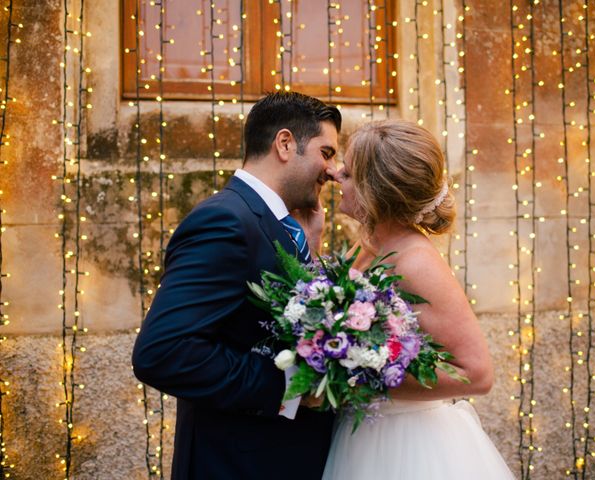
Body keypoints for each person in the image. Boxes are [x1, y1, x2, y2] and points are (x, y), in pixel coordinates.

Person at [131, 91, 341, 479]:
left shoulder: (276, 223)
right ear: (284, 143)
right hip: (238, 463)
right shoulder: (225, 221)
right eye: (326, 153)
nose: (332, 170)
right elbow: (163, 352)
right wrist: (288, 385)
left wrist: (309, 253)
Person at [321, 120, 514, 479]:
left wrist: (365, 375)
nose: (335, 175)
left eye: (347, 172)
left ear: (373, 190)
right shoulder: (371, 243)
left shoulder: (416, 261)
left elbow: (477, 373)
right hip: (360, 435)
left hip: (407, 444)